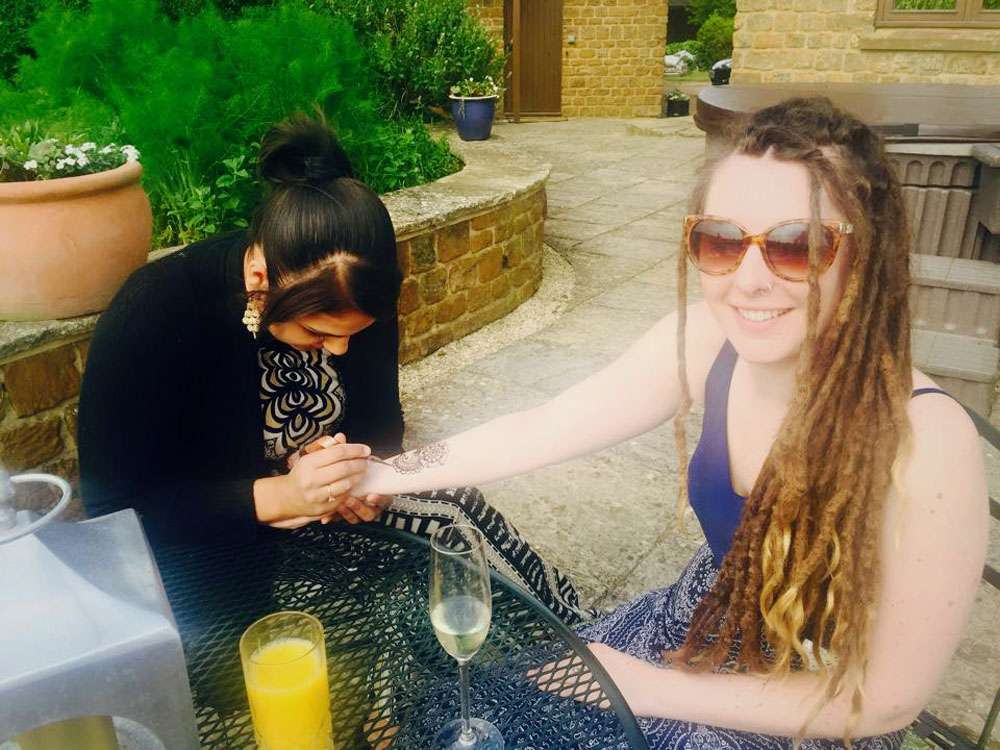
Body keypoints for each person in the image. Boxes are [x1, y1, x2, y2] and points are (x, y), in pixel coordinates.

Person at [320, 98, 989, 748]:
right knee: (467, 711)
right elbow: (545, 426)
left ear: (864, 255)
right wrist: (378, 474)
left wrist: (649, 688)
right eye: (722, 240)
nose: (749, 280)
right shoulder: (711, 342)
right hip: (704, 617)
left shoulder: (929, 442)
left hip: (812, 702)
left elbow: (884, 699)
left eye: (798, 246)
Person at [77, 113, 590, 624]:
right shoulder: (153, 314)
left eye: (355, 333)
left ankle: (583, 637)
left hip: (325, 514)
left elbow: (380, 423)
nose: (340, 351)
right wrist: (276, 496)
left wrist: (359, 472)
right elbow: (114, 509)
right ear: (259, 281)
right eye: (317, 333)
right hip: (206, 547)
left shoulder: (356, 289)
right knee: (351, 632)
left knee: (457, 515)